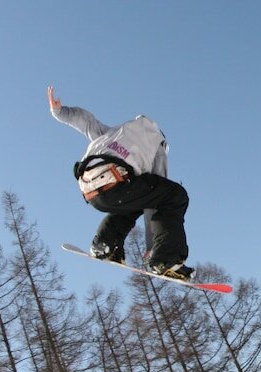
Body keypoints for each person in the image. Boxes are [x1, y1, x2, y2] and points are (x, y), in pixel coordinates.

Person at [48, 86, 194, 281]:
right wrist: (152, 247)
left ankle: (106, 244)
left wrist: (60, 111)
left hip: (89, 187)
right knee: (174, 196)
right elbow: (156, 202)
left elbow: (87, 122)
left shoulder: (114, 133)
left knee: (136, 197)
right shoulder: (157, 146)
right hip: (115, 182)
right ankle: (165, 260)